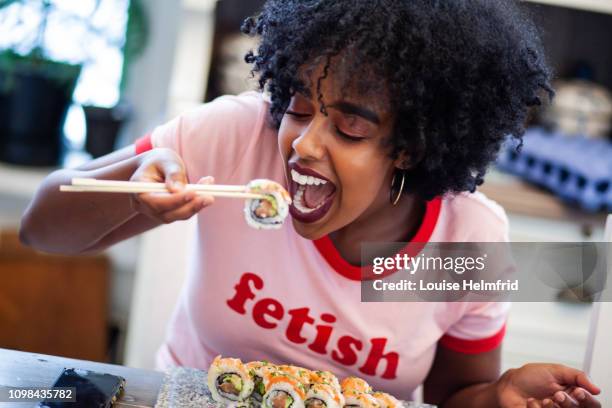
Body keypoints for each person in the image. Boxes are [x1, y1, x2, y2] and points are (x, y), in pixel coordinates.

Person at [20, 0, 601, 406]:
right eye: (299, 107)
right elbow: (40, 229)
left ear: (412, 145)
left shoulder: (466, 239)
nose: (303, 142)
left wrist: (499, 397)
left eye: (349, 127)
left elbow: (452, 399)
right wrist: (137, 192)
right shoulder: (235, 137)